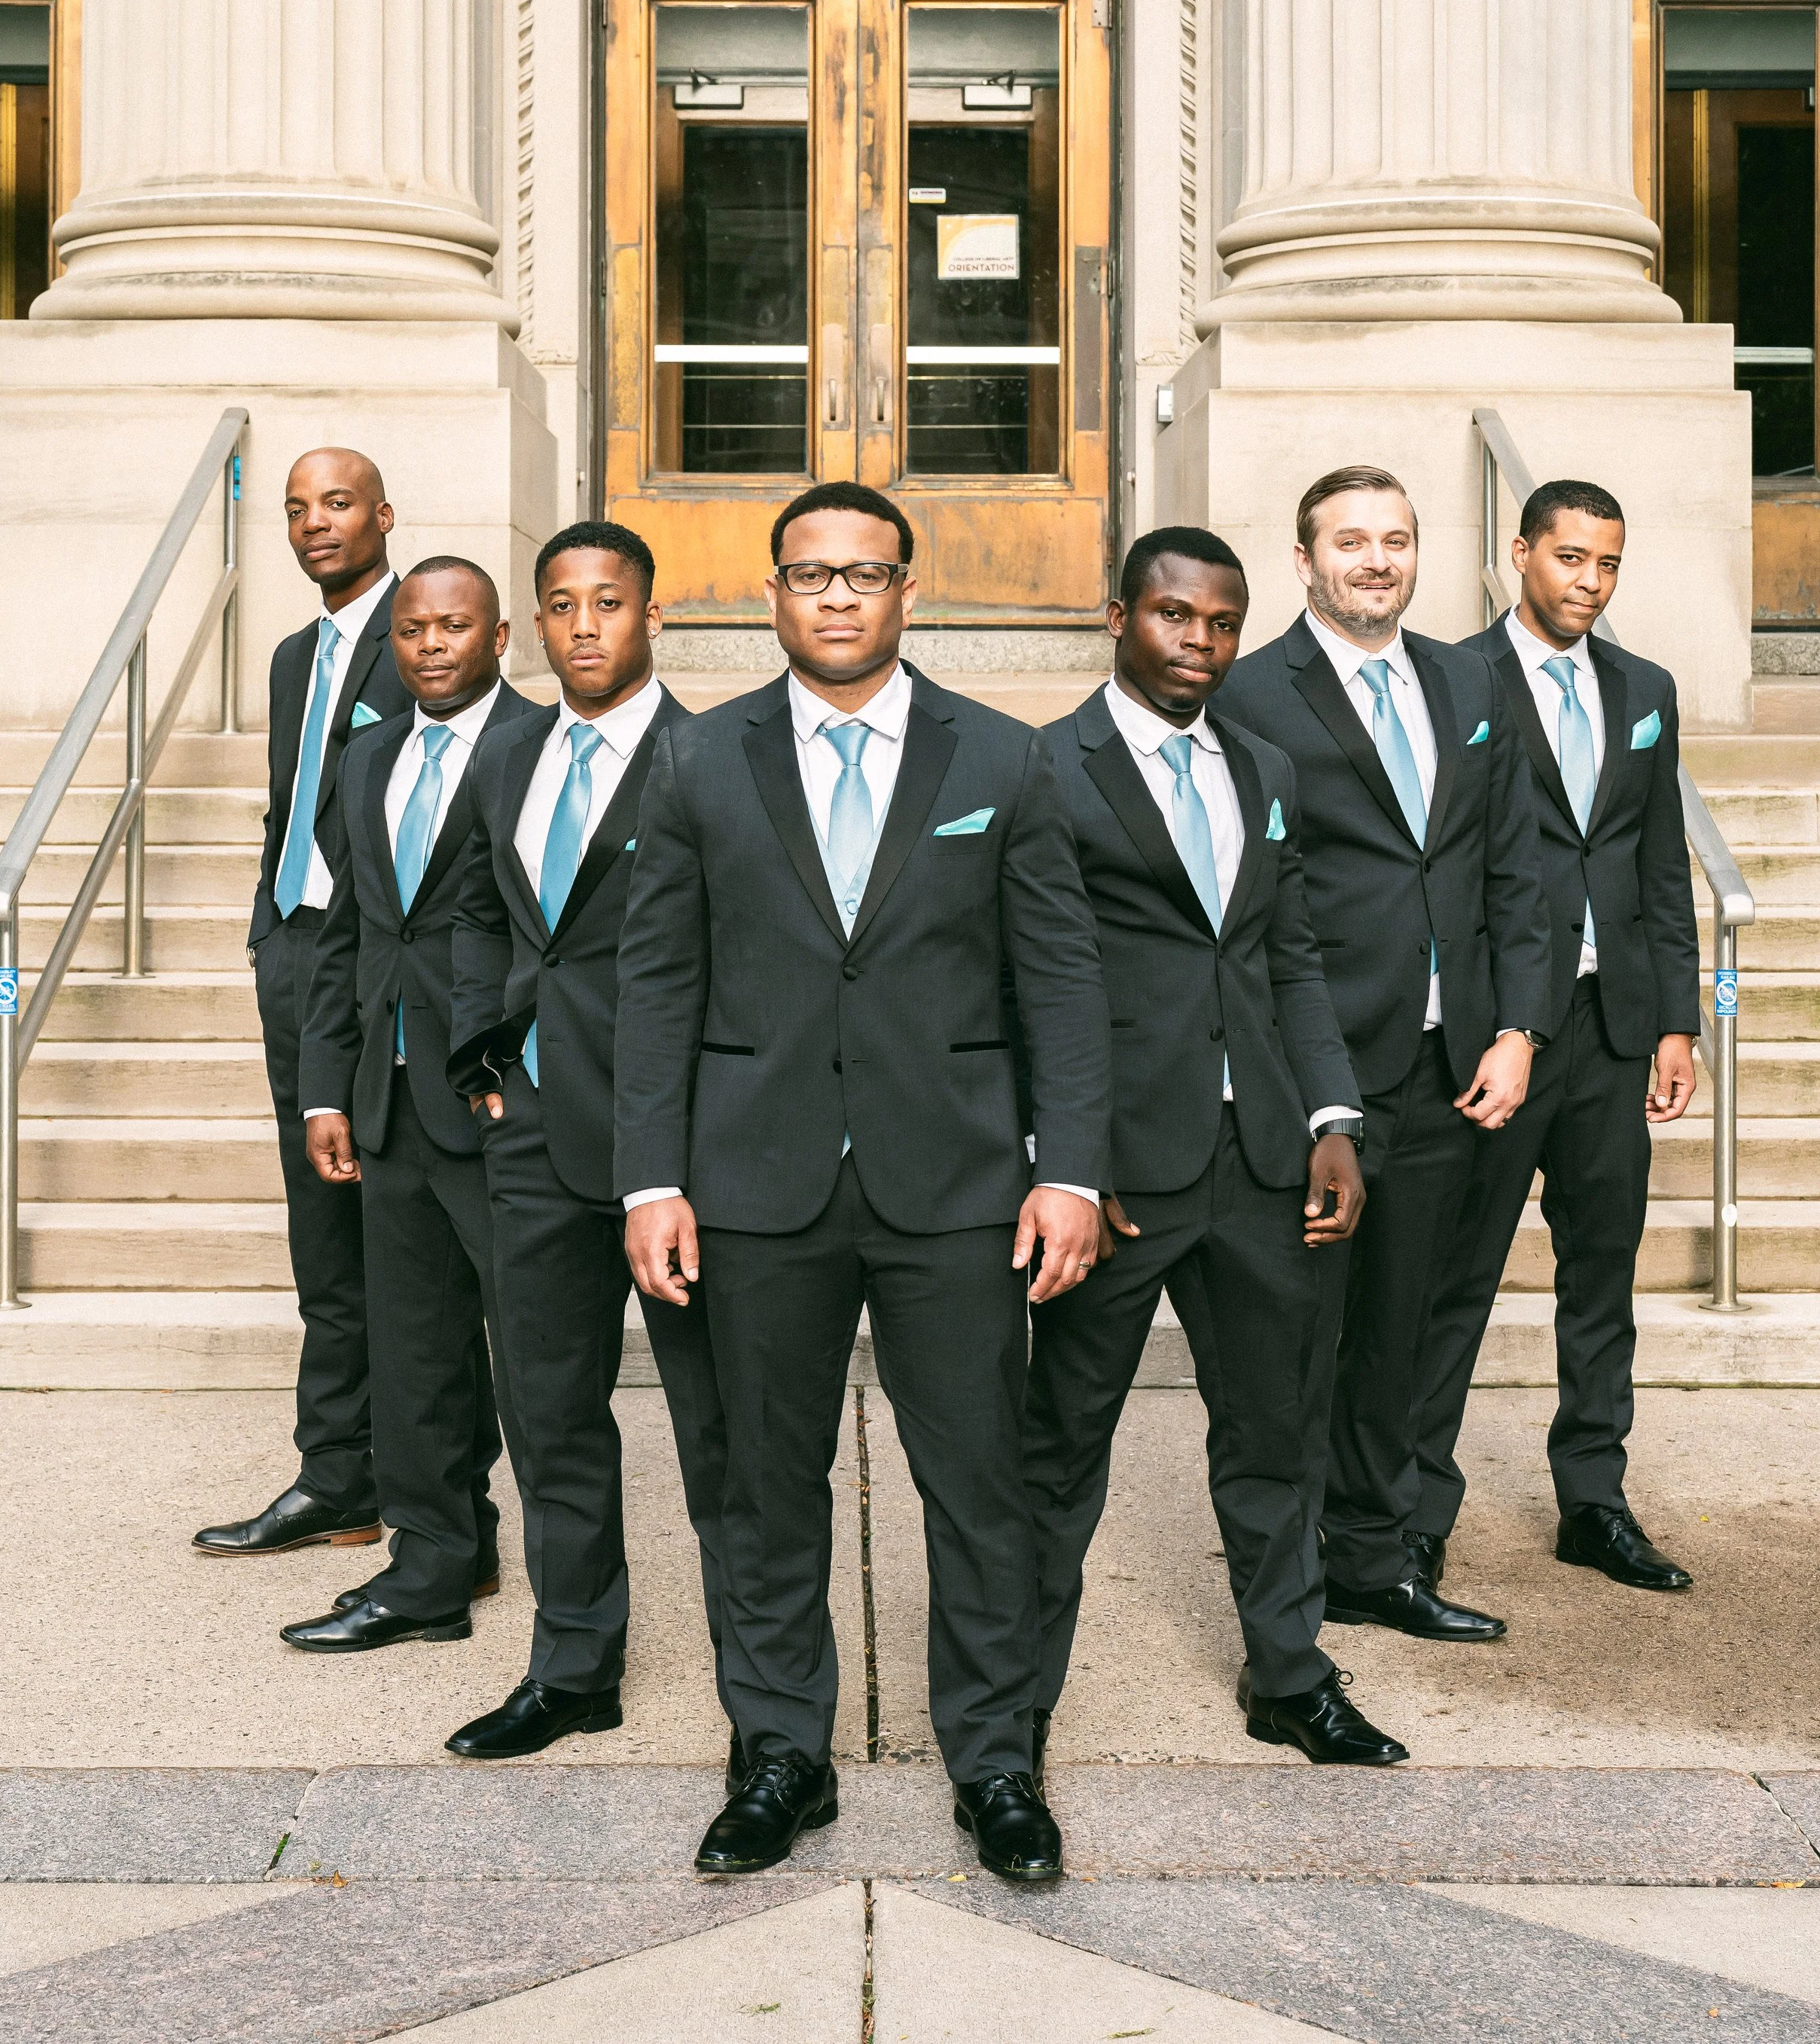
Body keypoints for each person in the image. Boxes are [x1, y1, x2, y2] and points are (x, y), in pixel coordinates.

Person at [615, 480, 1111, 1886]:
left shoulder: (1003, 758)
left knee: (980, 1485)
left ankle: (997, 1759)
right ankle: (781, 1752)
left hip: (956, 1182)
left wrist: (1072, 1168)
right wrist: (650, 1179)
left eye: (865, 572)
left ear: (908, 589)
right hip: (751, 1181)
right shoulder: (698, 760)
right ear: (773, 592)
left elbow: (1062, 982)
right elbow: (655, 985)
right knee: (763, 1484)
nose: (837, 594)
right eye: (811, 573)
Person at [1026, 526, 1407, 1770]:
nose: (1200, 641)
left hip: (1262, 1164)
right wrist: (1067, 1159)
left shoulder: (1263, 764)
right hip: (1119, 1175)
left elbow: (1289, 955)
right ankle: (1012, 1706)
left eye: (1223, 622)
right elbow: (1022, 980)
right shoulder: (1048, 767)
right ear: (1118, 617)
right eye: (1174, 615)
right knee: (1060, 1447)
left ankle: (1289, 1675)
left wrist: (1333, 1117)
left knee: (1277, 1432)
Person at [1223, 467, 1550, 1644]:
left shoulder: (1470, 680)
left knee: (1400, 1332)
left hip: (1449, 1064)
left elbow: (1516, 868)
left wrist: (1518, 1028)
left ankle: (1372, 1559)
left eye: (1397, 539)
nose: (1377, 559)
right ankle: (1287, 1582)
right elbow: (1241, 905)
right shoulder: (1248, 693)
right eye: (1351, 540)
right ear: (1303, 559)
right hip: (1318, 1073)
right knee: (1299, 1339)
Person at [441, 521, 733, 1765]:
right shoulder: (507, 756)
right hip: (534, 1135)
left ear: (651, 614)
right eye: (560, 604)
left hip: (683, 1148)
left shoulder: (712, 757)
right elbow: (477, 909)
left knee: (721, 1430)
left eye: (607, 601)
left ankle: (762, 1693)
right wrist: (484, 1058)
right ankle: (572, 1667)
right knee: (551, 1412)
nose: (583, 625)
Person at [1410, 480, 1701, 1594]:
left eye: (1607, 562)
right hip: (1497, 1033)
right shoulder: (1451, 679)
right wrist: (1490, 1021)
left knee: (1601, 1274)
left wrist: (1675, 1018)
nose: (1590, 580)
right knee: (1455, 1275)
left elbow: (1658, 860)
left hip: (1613, 1026)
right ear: (1521, 552)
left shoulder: (1645, 689)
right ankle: (1414, 1510)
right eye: (1571, 557)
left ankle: (1594, 1501)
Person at [279, 558, 542, 1651]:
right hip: (387, 1100)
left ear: (500, 637)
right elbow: (350, 932)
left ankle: (575, 1603)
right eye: (414, 629)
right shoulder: (369, 755)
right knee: (415, 1349)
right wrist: (326, 1086)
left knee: (534, 1361)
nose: (432, 644)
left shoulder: (543, 745)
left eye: (455, 626)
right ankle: (436, 1560)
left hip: (497, 1103)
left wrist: (518, 1069)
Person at [194, 450, 406, 1559]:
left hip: (384, 969)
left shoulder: (425, 633)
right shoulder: (292, 659)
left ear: (383, 514)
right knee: (323, 1241)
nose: (314, 522)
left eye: (336, 502)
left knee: (406, 1242)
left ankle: (432, 1492)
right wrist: (270, 932)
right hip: (298, 959)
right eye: (294, 509)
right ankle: (337, 1476)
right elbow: (292, 807)